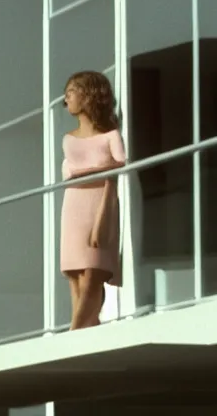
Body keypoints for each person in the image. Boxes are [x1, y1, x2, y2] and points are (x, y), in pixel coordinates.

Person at [60, 70, 126, 330]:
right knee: (76, 276)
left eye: (72, 92)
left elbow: (119, 168)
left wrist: (103, 217)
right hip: (74, 206)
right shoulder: (69, 139)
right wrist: (100, 170)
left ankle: (73, 333)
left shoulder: (111, 136)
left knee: (92, 273)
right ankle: (87, 328)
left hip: (100, 204)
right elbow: (69, 174)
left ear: (88, 96)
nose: (67, 99)